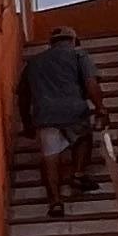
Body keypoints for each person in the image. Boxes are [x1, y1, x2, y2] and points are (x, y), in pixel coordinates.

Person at [18, 26, 103, 217]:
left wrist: (26, 123)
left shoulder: (34, 63)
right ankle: (78, 174)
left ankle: (55, 202)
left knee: (50, 157)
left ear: (51, 43)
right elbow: (91, 84)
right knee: (84, 137)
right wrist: (101, 108)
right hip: (74, 111)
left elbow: (23, 96)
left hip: (44, 115)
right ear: (74, 40)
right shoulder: (79, 56)